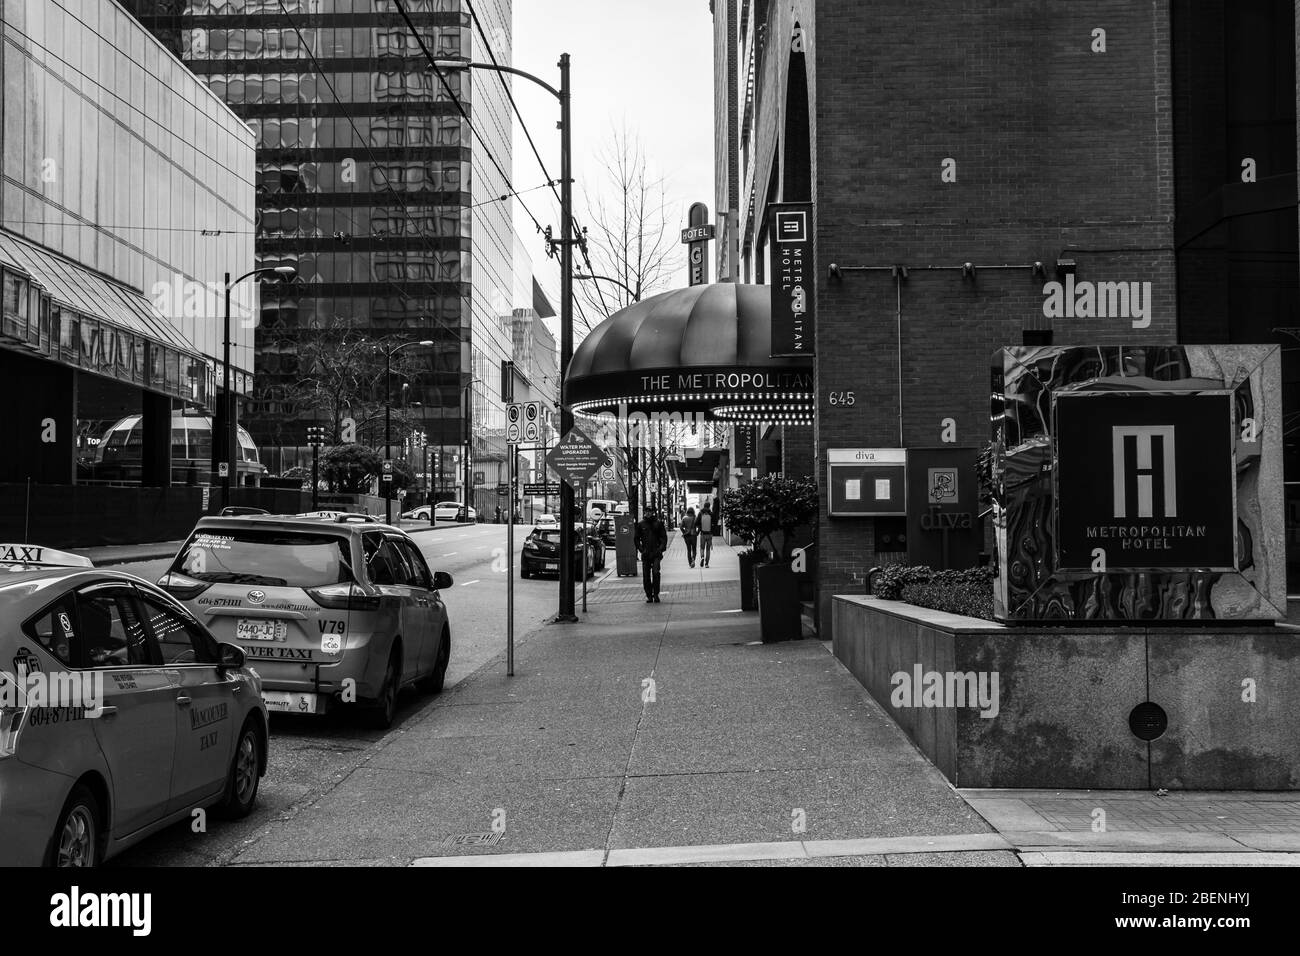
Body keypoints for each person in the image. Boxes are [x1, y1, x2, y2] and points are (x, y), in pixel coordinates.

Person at [634, 505, 669, 602]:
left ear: (653, 512)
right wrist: (641, 549)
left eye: (650, 511)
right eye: (646, 511)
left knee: (656, 573)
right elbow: (636, 539)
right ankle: (649, 595)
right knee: (646, 575)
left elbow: (663, 538)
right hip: (646, 554)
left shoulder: (658, 524)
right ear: (645, 512)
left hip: (656, 553)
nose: (648, 513)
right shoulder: (641, 525)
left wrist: (660, 549)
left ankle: (656, 594)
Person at [695, 499, 715, 568]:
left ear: (704, 506)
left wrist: (699, 527)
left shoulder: (700, 513)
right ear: (709, 506)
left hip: (702, 534)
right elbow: (714, 523)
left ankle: (702, 557)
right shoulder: (711, 514)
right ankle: (706, 564)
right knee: (708, 549)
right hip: (709, 534)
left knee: (702, 547)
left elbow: (696, 523)